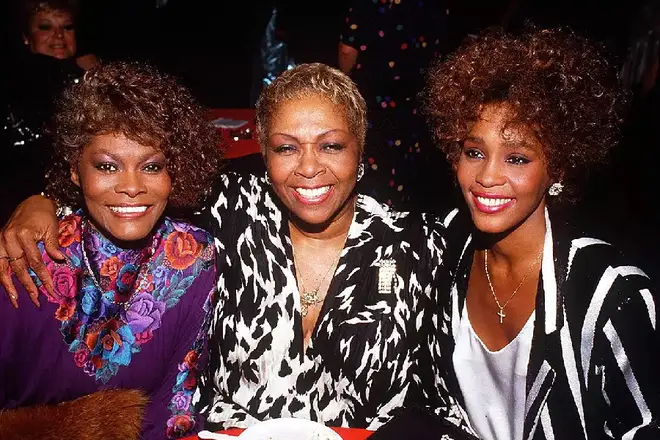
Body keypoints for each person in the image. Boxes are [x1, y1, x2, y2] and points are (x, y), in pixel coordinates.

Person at [0, 63, 447, 433]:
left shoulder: (419, 245)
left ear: (361, 151)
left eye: (331, 145)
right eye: (287, 148)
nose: (310, 167)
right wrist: (43, 200)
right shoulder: (229, 209)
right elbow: (132, 178)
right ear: (264, 153)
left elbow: (439, 397)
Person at [420, 27, 660, 439]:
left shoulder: (610, 295)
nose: (487, 176)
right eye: (474, 152)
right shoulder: (447, 245)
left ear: (559, 167)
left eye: (517, 158)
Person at [0, 61, 222, 440]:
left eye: (151, 167)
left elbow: (173, 409)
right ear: (75, 170)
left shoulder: (192, 259)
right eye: (107, 166)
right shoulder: (25, 255)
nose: (132, 186)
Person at [338, 0, 454, 213]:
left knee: (369, 169)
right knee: (407, 173)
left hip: (371, 102)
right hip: (415, 103)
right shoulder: (434, 6)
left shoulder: (369, 4)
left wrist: (342, 80)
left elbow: (347, 51)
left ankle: (372, 223)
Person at [1, 0, 99, 225]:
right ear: (26, 37)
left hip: (80, 205)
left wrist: (98, 75)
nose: (58, 36)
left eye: (67, 27)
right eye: (45, 27)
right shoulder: (11, 83)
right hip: (22, 209)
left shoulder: (92, 77)